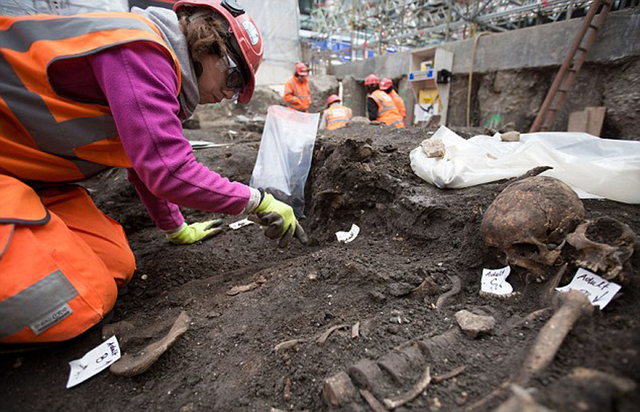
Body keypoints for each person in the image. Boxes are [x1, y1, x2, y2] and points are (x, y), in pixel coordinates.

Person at [0, 0, 306, 345]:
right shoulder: (141, 51)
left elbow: (142, 164)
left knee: (117, 265)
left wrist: (176, 228)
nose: (229, 94)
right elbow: (169, 171)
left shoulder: (156, 65)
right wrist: (257, 201)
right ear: (209, 46)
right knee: (79, 300)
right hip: (12, 171)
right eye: (234, 78)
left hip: (31, 177)